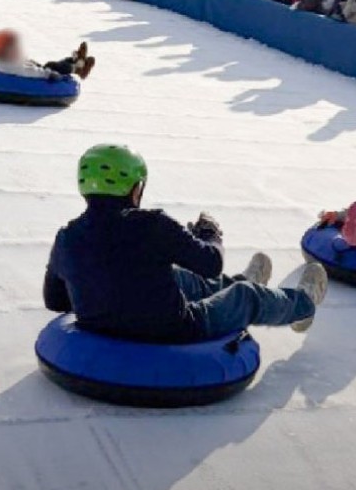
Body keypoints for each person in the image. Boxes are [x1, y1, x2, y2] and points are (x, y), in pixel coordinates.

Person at [44, 144, 328, 342]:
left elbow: (55, 300)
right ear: (135, 188)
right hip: (175, 329)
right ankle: (303, 304)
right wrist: (210, 236)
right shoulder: (154, 224)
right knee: (245, 297)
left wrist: (100, 290)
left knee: (173, 276)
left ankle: (238, 282)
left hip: (100, 329)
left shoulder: (66, 236)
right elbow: (211, 264)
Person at [0, 29, 95, 81]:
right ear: (4, 53)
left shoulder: (5, 62)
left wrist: (31, 62)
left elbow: (24, 63)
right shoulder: (13, 67)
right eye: (13, 49)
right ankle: (78, 68)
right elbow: (32, 72)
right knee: (56, 67)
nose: (17, 50)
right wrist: (48, 74)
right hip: (42, 78)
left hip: (36, 69)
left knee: (51, 64)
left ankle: (75, 60)